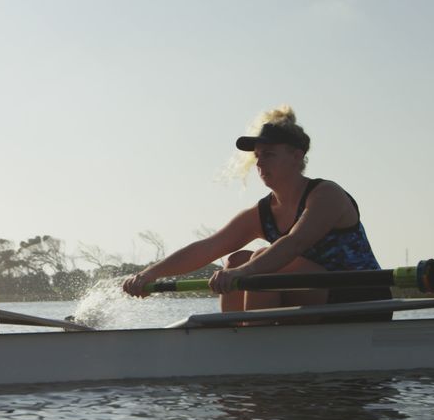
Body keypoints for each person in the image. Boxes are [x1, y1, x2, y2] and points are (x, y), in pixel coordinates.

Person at [122, 105, 390, 319]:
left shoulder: (327, 195)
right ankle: (238, 338)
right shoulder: (261, 212)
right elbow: (207, 248)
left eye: (269, 154)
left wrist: (246, 273)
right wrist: (150, 274)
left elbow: (294, 243)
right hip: (313, 298)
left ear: (297, 156)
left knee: (259, 261)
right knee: (236, 259)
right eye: (258, 155)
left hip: (361, 299)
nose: (259, 162)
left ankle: (252, 344)